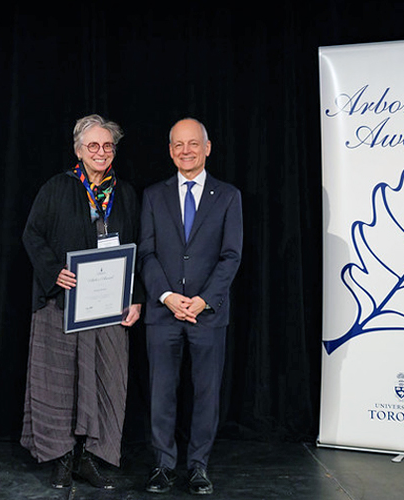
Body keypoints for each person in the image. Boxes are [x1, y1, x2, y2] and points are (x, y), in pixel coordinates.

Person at [20, 114, 143, 490]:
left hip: (108, 309)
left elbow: (138, 248)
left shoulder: (125, 193)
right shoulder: (58, 187)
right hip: (62, 304)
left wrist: (135, 299)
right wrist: (54, 271)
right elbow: (32, 234)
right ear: (79, 150)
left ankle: (88, 459)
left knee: (104, 379)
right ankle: (60, 459)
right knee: (57, 382)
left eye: (107, 146)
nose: (101, 152)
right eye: (93, 145)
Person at [138, 118, 243, 495]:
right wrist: (166, 296)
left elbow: (231, 256)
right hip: (163, 313)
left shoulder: (229, 196)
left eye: (193, 144)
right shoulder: (153, 195)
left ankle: (198, 466)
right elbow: (147, 254)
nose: (186, 150)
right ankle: (163, 465)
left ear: (207, 147)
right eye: (178, 145)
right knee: (161, 392)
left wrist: (203, 300)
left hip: (208, 314)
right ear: (170, 151)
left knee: (206, 393)